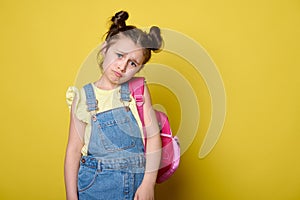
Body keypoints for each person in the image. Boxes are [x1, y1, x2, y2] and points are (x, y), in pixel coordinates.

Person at [64, 10, 163, 200]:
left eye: (132, 63)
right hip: (94, 188)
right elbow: (74, 150)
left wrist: (149, 183)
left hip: (136, 187)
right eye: (119, 55)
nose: (122, 66)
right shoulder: (83, 96)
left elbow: (152, 137)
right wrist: (71, 196)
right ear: (104, 49)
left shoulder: (138, 91)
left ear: (139, 68)